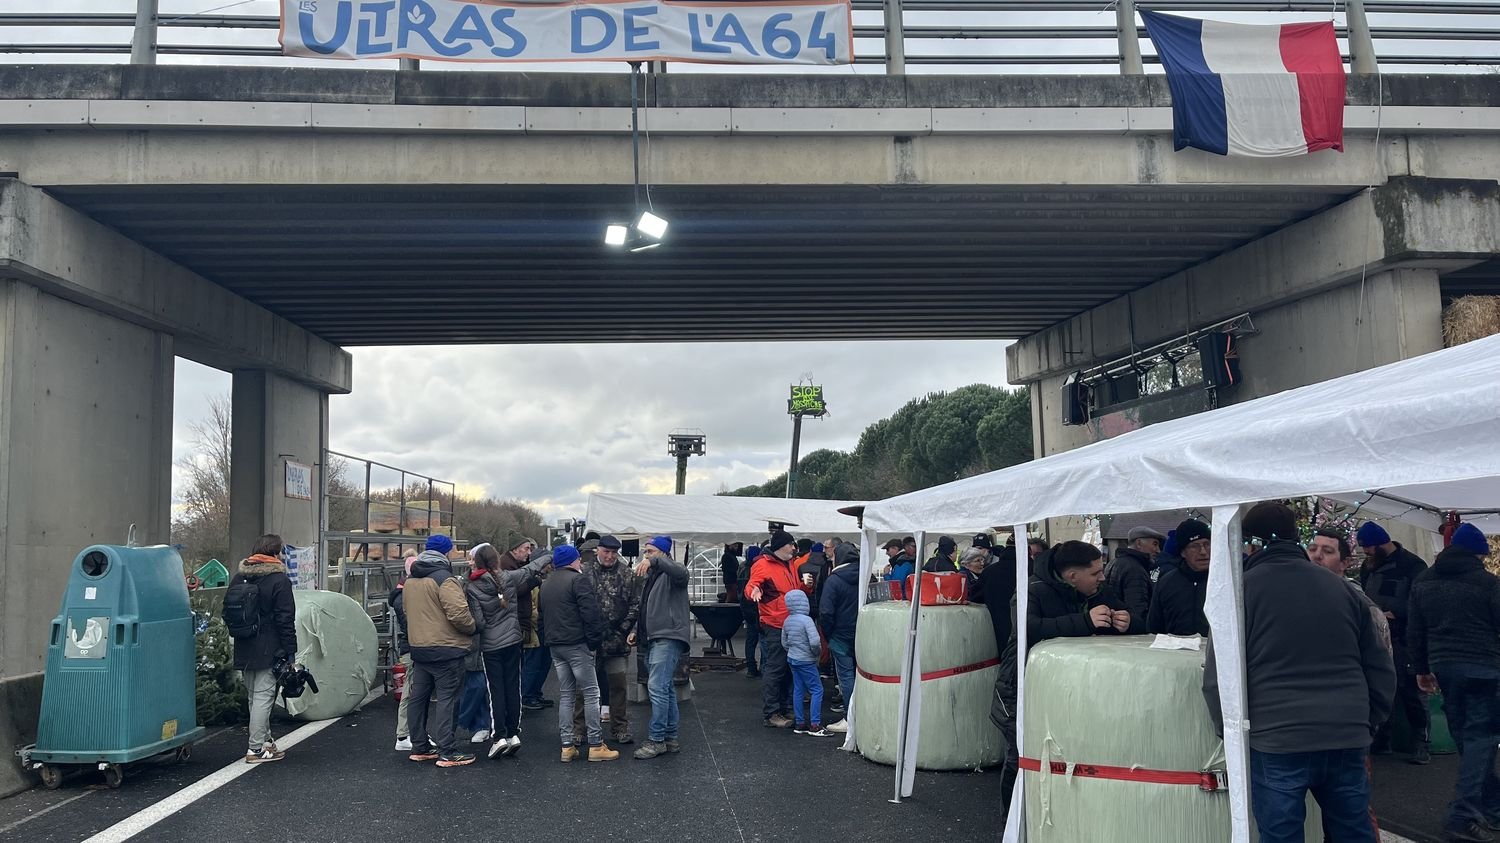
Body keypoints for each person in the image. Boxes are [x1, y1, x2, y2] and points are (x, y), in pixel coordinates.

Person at [1204, 502, 1394, 843]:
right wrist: (1369, 720)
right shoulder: (1344, 589)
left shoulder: (1238, 593)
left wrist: (1230, 733)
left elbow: (1220, 677)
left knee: (1282, 835)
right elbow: (1379, 664)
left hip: (1277, 737)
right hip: (1345, 731)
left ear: (1251, 544)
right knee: (1353, 831)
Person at [992, 541, 1143, 823]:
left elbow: (1136, 622)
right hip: (1022, 688)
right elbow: (1028, 628)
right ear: (1073, 576)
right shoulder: (1031, 590)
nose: (1102, 577)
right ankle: (1014, 824)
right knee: (1021, 758)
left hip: (1078, 692)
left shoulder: (1101, 592)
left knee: (1072, 756)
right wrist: (1085, 621)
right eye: (1096, 572)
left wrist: (1129, 622)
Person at [1407, 523, 1500, 843]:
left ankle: (1493, 806)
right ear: (1477, 555)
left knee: (1468, 739)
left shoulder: (1423, 581)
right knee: (1480, 740)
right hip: (1485, 668)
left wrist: (1421, 669)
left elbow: (1415, 630)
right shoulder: (1487, 583)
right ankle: (1462, 815)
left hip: (1443, 667)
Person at [1308, 528, 1390, 842]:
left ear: (1345, 563)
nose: (1317, 556)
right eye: (1313, 548)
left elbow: (1382, 667)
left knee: (1353, 815)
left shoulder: (1360, 604)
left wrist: (1369, 720)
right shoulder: (1296, 597)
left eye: (1327, 551)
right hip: (1303, 725)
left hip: (1348, 725)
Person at [1356, 520, 1432, 763]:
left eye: (1368, 547)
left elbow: (1421, 601)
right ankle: (1382, 739)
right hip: (1377, 634)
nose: (1365, 552)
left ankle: (1421, 742)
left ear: (1382, 543)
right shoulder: (1369, 566)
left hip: (1404, 635)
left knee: (1411, 691)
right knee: (1380, 686)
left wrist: (1396, 613)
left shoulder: (1413, 566)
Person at [403, 534, 480, 768]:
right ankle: (447, 750)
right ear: (445, 553)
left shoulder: (411, 580)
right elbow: (458, 614)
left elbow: (407, 611)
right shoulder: (444, 579)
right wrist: (473, 627)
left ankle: (420, 746)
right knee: (448, 698)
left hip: (419, 647)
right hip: (446, 649)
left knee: (418, 697)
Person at [467, 542, 549, 759]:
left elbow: (479, 622)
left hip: (491, 645)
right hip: (513, 639)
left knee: (496, 690)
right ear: (496, 560)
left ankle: (499, 736)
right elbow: (531, 569)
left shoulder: (473, 587)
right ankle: (513, 733)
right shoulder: (509, 578)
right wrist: (550, 556)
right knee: (513, 686)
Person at [539, 544, 619, 762]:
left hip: (556, 645)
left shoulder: (547, 583)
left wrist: (548, 640)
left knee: (566, 694)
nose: (580, 562)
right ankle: (596, 745)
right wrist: (593, 642)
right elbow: (590, 613)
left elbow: (542, 618)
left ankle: (567, 746)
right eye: (578, 559)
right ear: (573, 561)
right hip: (577, 644)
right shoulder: (578, 580)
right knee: (591, 693)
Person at [564, 535, 640, 748]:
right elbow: (574, 605)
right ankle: (579, 730)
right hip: (589, 641)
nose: (610, 556)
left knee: (618, 686)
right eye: (606, 552)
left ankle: (620, 728)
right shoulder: (583, 572)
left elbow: (635, 605)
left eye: (614, 553)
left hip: (617, 640)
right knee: (583, 688)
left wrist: (622, 631)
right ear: (598, 550)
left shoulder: (627, 574)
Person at [230, 534, 298, 764]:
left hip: (243, 643)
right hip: (269, 647)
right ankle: (256, 749)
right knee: (264, 696)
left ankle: (266, 742)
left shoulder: (240, 577)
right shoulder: (278, 580)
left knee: (254, 696)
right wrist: (290, 650)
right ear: (276, 553)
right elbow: (285, 619)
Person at [630, 536, 691, 760]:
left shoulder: (673, 572)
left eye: (651, 551)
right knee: (664, 688)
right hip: (657, 636)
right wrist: (637, 630)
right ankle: (669, 737)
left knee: (657, 687)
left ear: (664, 553)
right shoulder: (654, 576)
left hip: (667, 635)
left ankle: (656, 740)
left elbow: (681, 572)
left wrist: (654, 562)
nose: (646, 555)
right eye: (646, 551)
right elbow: (646, 606)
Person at [746, 529, 806, 728]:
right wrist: (753, 591)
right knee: (776, 668)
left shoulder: (789, 563)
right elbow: (752, 586)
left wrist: (805, 587)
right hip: (774, 623)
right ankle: (772, 713)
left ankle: (783, 708)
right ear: (781, 546)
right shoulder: (763, 565)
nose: (794, 548)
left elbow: (793, 590)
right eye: (791, 544)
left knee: (787, 668)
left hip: (789, 623)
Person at [504, 536, 552, 712]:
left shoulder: (519, 569)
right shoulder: (515, 571)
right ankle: (527, 695)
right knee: (533, 663)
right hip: (530, 626)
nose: (528, 552)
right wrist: (536, 621)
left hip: (530, 623)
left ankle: (533, 693)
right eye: (526, 548)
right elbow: (522, 597)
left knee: (539, 662)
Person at [819, 541, 860, 734]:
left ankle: (850, 718)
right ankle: (864, 715)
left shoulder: (834, 580)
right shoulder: (867, 576)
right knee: (863, 676)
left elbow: (826, 612)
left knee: (846, 677)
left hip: (840, 636)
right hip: (863, 633)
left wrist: (829, 634)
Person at [1150, 518, 1212, 637]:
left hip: (1215, 648)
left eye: (1207, 544)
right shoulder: (1166, 583)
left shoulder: (1224, 582)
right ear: (1183, 552)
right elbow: (1154, 627)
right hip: (1175, 648)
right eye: (1195, 546)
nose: (1203, 552)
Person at [782, 590, 829, 737]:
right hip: (806, 660)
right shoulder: (807, 620)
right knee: (817, 690)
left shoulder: (787, 620)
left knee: (798, 689)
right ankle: (815, 725)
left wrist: (792, 651)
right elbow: (815, 642)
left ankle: (800, 723)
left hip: (792, 658)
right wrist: (816, 654)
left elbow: (784, 642)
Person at [1106, 526, 1164, 622]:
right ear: (1139, 543)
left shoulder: (1113, 563)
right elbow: (1138, 612)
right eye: (1155, 544)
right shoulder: (1135, 569)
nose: (1158, 550)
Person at [392, 550, 418, 752]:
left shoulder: (403, 593)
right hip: (411, 647)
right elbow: (410, 624)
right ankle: (403, 735)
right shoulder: (403, 597)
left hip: (413, 645)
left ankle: (412, 733)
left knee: (415, 690)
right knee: (410, 692)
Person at [979, 542, 1019, 663]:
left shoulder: (989, 572)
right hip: (1026, 626)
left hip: (998, 626)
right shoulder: (1031, 569)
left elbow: (976, 597)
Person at [739, 546, 765, 678]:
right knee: (763, 640)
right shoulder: (757, 569)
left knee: (750, 639)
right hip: (757, 608)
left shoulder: (742, 568)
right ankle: (763, 667)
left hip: (746, 608)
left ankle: (751, 667)